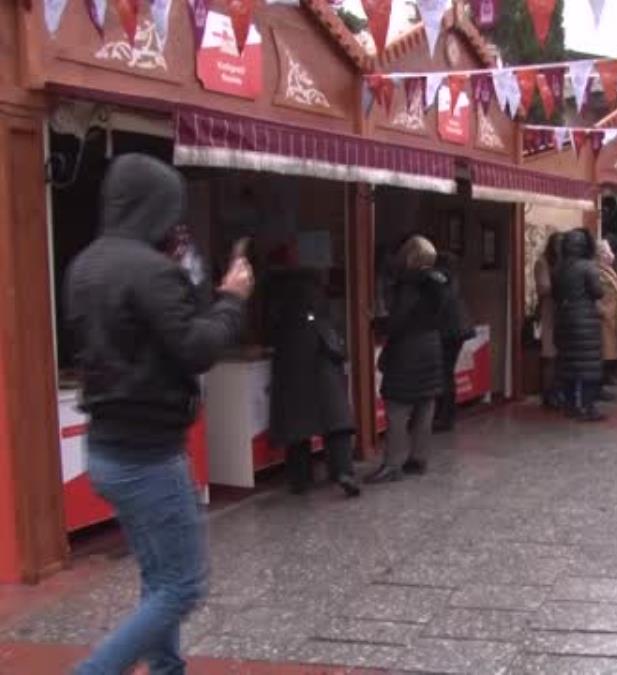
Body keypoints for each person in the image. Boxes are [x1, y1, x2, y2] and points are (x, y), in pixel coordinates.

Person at [66, 154, 253, 674]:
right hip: (149, 455)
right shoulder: (150, 270)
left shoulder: (86, 265)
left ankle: (168, 670)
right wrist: (231, 299)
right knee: (183, 584)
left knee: (159, 577)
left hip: (105, 447)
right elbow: (196, 348)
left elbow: (137, 340)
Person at [265, 268, 360, 497]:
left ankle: (300, 479)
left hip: (293, 373)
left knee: (297, 428)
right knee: (335, 425)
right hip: (324, 372)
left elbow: (273, 335)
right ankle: (342, 472)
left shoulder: (282, 306)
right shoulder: (320, 304)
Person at [368, 235, 448, 483]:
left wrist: (376, 322)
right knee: (424, 408)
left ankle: (392, 464)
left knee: (397, 411)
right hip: (431, 350)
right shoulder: (439, 282)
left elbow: (398, 322)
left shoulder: (408, 285)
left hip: (407, 353)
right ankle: (419, 459)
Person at [554, 229, 606, 422]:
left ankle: (570, 406)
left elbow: (555, 294)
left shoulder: (558, 268)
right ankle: (588, 406)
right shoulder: (588, 266)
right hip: (586, 320)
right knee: (589, 366)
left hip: (565, 319)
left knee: (569, 364)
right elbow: (598, 292)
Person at [433, 252, 475, 432]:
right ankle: (447, 415)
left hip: (448, 330)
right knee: (447, 373)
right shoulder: (451, 277)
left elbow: (439, 303)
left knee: (444, 373)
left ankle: (445, 416)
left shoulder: (440, 277)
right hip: (457, 329)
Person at [596, 239, 617, 394]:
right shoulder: (598, 271)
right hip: (605, 317)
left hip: (612, 317)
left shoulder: (608, 269)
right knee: (603, 353)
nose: (610, 255)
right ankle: (598, 387)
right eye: (606, 251)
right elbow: (605, 295)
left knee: (608, 353)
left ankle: (602, 383)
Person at [535, 232, 563, 408]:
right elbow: (543, 288)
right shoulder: (543, 263)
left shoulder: (563, 263)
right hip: (549, 312)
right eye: (558, 245)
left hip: (562, 314)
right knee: (550, 355)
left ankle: (558, 391)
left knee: (560, 356)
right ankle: (548, 394)